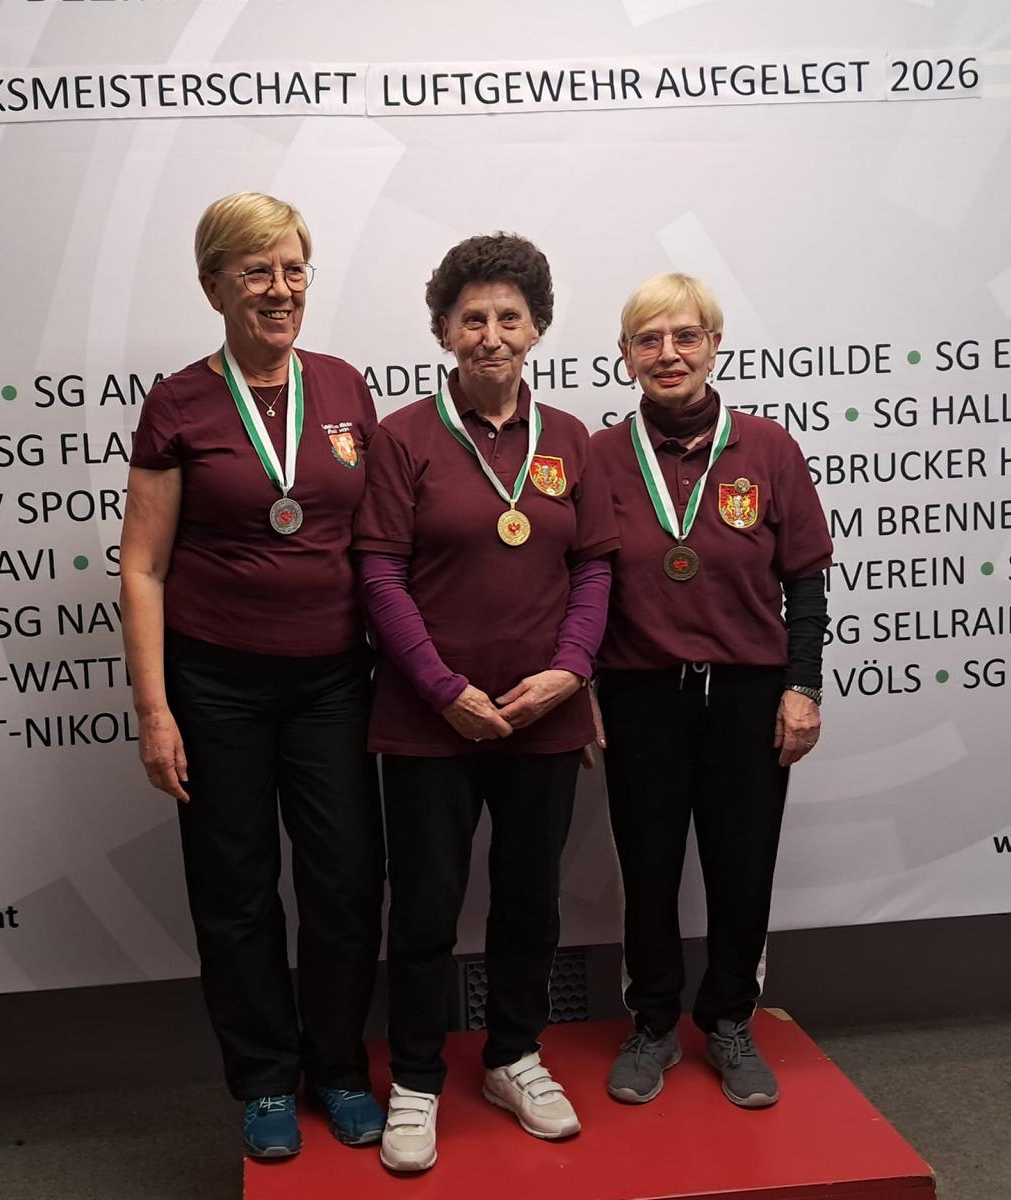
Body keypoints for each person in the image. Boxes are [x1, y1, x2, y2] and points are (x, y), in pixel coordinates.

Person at [119, 192, 385, 1159]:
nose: (280, 289)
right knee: (234, 890)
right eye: (256, 270)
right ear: (213, 287)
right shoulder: (178, 404)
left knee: (346, 883)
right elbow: (143, 567)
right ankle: (266, 1080)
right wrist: (155, 710)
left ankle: (341, 1066)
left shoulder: (345, 387)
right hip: (216, 688)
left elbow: (379, 545)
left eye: (293, 269)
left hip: (333, 684)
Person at [355, 233, 619, 1172]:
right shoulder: (403, 438)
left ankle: (514, 1054)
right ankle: (417, 1077)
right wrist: (444, 689)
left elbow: (594, 569)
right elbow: (379, 576)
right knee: (426, 906)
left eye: (510, 317)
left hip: (544, 717)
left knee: (530, 901)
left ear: (537, 327)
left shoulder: (572, 440)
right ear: (443, 331)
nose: (492, 335)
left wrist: (571, 670)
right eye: (473, 318)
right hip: (429, 721)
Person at [588, 272, 832, 1110]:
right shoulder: (597, 456)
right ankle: (653, 1022)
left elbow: (805, 581)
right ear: (625, 356)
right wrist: (581, 683)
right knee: (648, 867)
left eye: (686, 336)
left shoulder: (768, 449)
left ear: (714, 346)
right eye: (649, 340)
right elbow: (577, 583)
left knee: (742, 863)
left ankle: (730, 1019)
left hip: (746, 693)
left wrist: (803, 686)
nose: (669, 354)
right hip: (639, 692)